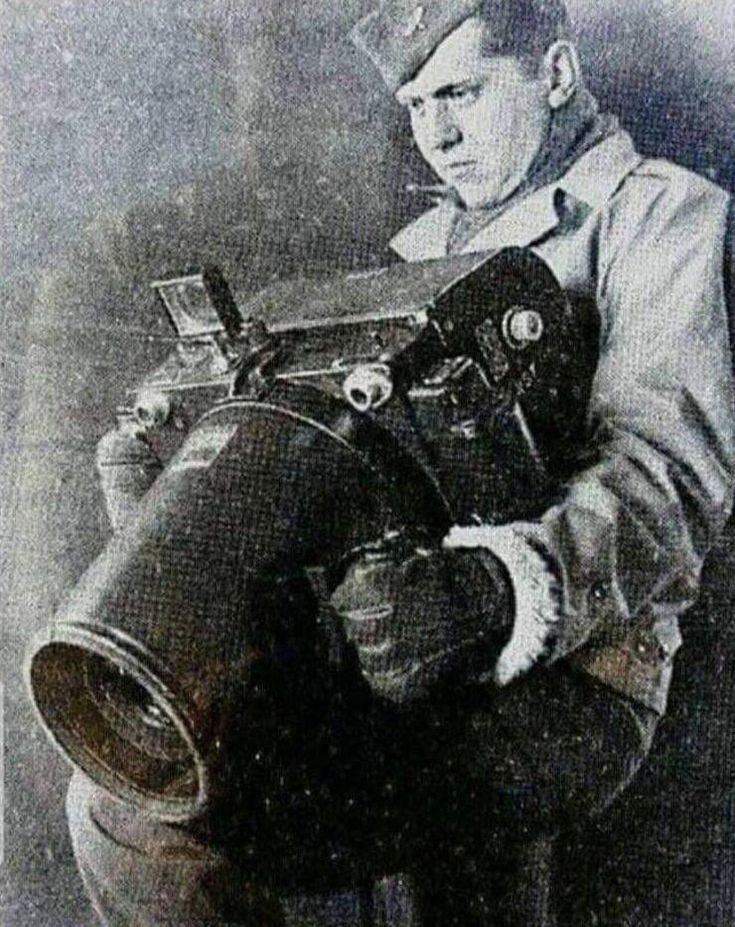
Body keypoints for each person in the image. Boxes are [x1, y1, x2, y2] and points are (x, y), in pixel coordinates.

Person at [64, 0, 735, 924]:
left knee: (153, 810)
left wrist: (496, 589)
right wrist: (182, 508)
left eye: (461, 92)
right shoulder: (413, 255)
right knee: (134, 786)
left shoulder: (658, 214)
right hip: (390, 648)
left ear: (554, 74)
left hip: (576, 676)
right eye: (417, 106)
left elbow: (669, 478)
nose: (438, 136)